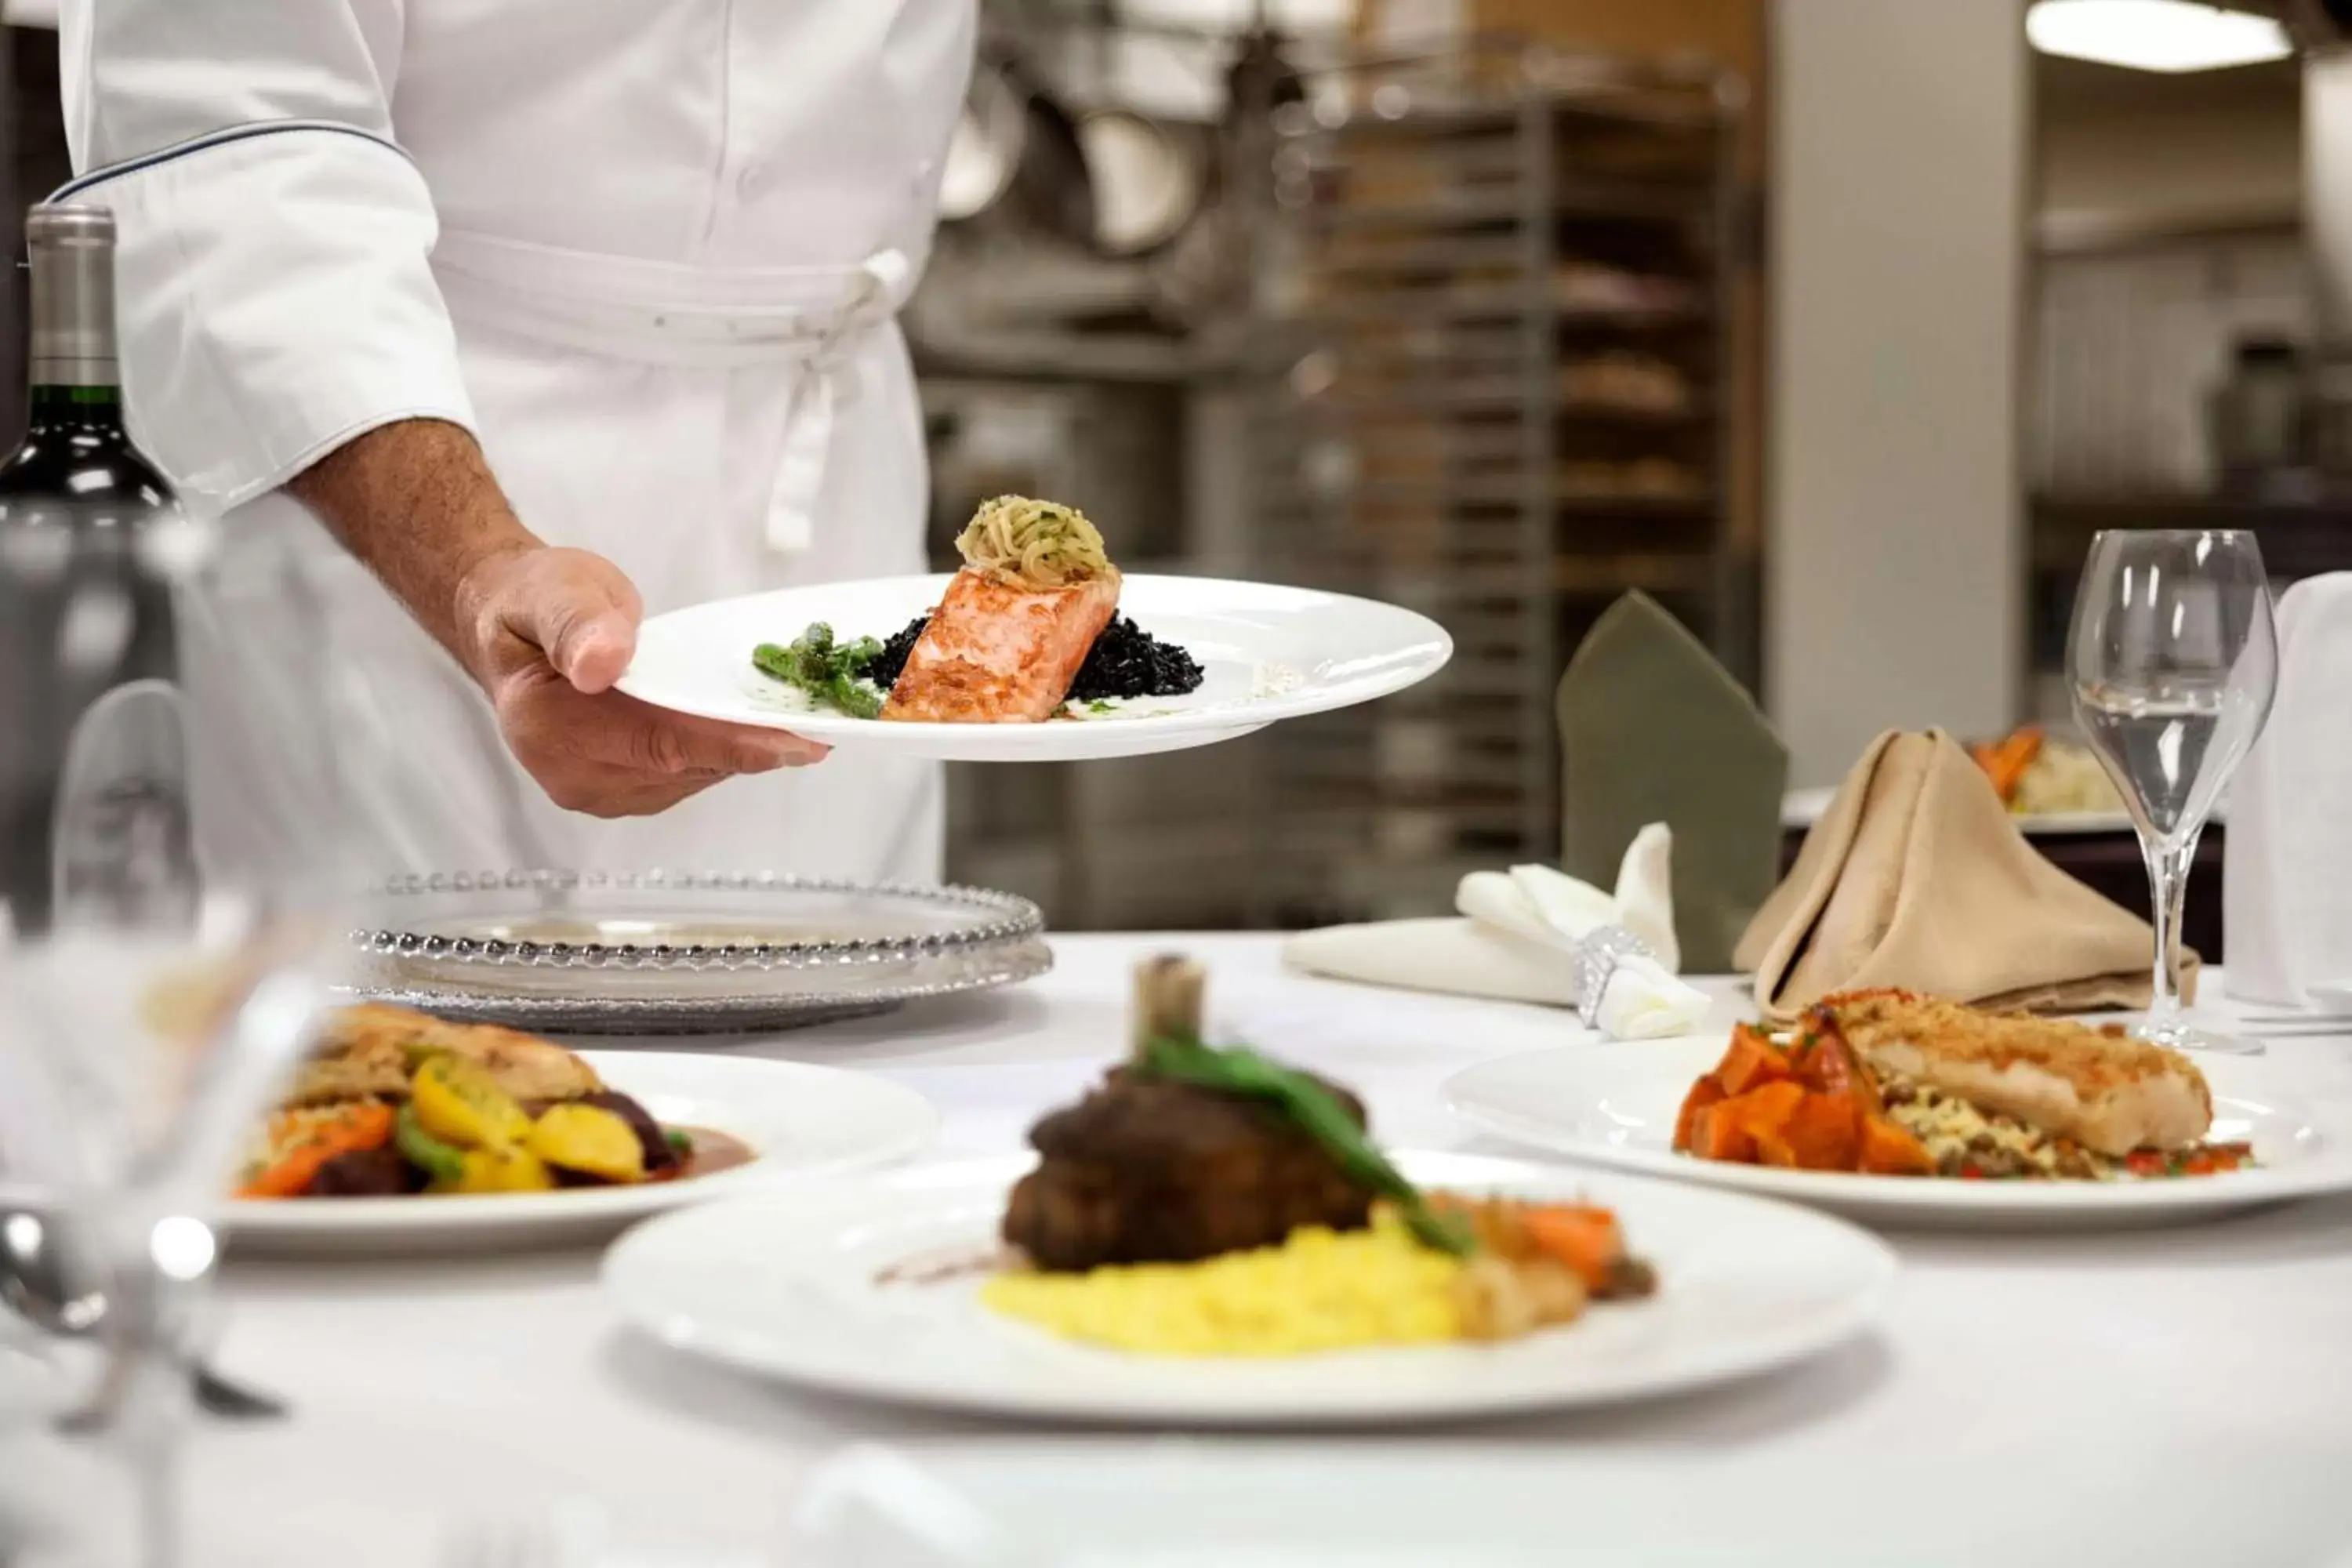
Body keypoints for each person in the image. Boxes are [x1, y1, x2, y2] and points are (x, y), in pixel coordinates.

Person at [50, 2, 972, 881]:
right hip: (393, 455)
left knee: (862, 1005)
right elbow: (233, 166)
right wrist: (473, 571)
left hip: (831, 456)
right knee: (398, 1031)